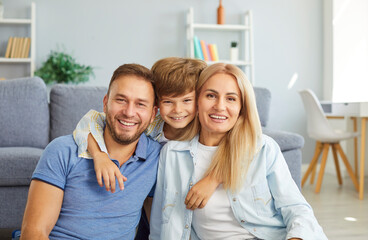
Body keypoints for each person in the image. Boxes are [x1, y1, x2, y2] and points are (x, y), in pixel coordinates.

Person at [149, 63, 328, 240]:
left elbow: (296, 208)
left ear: (242, 107)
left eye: (231, 98)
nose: (219, 106)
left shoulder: (263, 148)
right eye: (211, 95)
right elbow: (159, 224)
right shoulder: (172, 154)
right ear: (197, 101)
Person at [71, 57, 220, 238]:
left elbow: (239, 145)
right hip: (148, 199)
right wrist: (100, 155)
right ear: (156, 105)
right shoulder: (150, 123)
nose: (178, 110)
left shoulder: (204, 126)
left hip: (186, 205)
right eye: (168, 102)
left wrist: (213, 178)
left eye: (187, 100)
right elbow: (90, 120)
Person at [20, 64, 162, 239]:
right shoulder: (61, 151)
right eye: (121, 100)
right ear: (105, 103)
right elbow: (34, 232)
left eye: (140, 104)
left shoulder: (157, 157)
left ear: (153, 113)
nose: (129, 112)